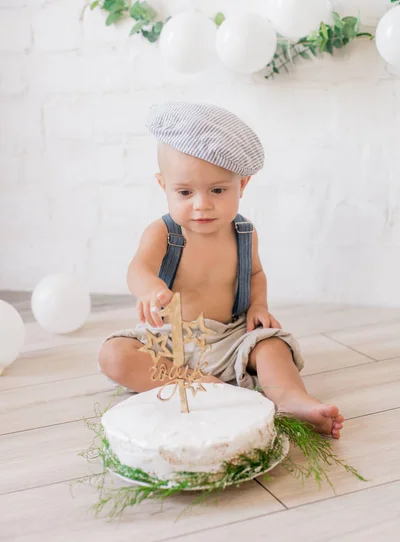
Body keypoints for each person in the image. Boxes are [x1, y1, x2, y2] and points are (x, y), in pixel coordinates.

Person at [98, 101, 344, 438]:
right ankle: (199, 383)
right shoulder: (164, 232)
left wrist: (259, 306)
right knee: (114, 356)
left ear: (242, 185)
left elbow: (256, 274)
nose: (202, 204)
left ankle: (292, 399)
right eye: (185, 192)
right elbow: (137, 268)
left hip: (231, 338)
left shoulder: (244, 233)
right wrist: (149, 288)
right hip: (170, 340)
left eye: (217, 190)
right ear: (162, 185)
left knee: (272, 347)